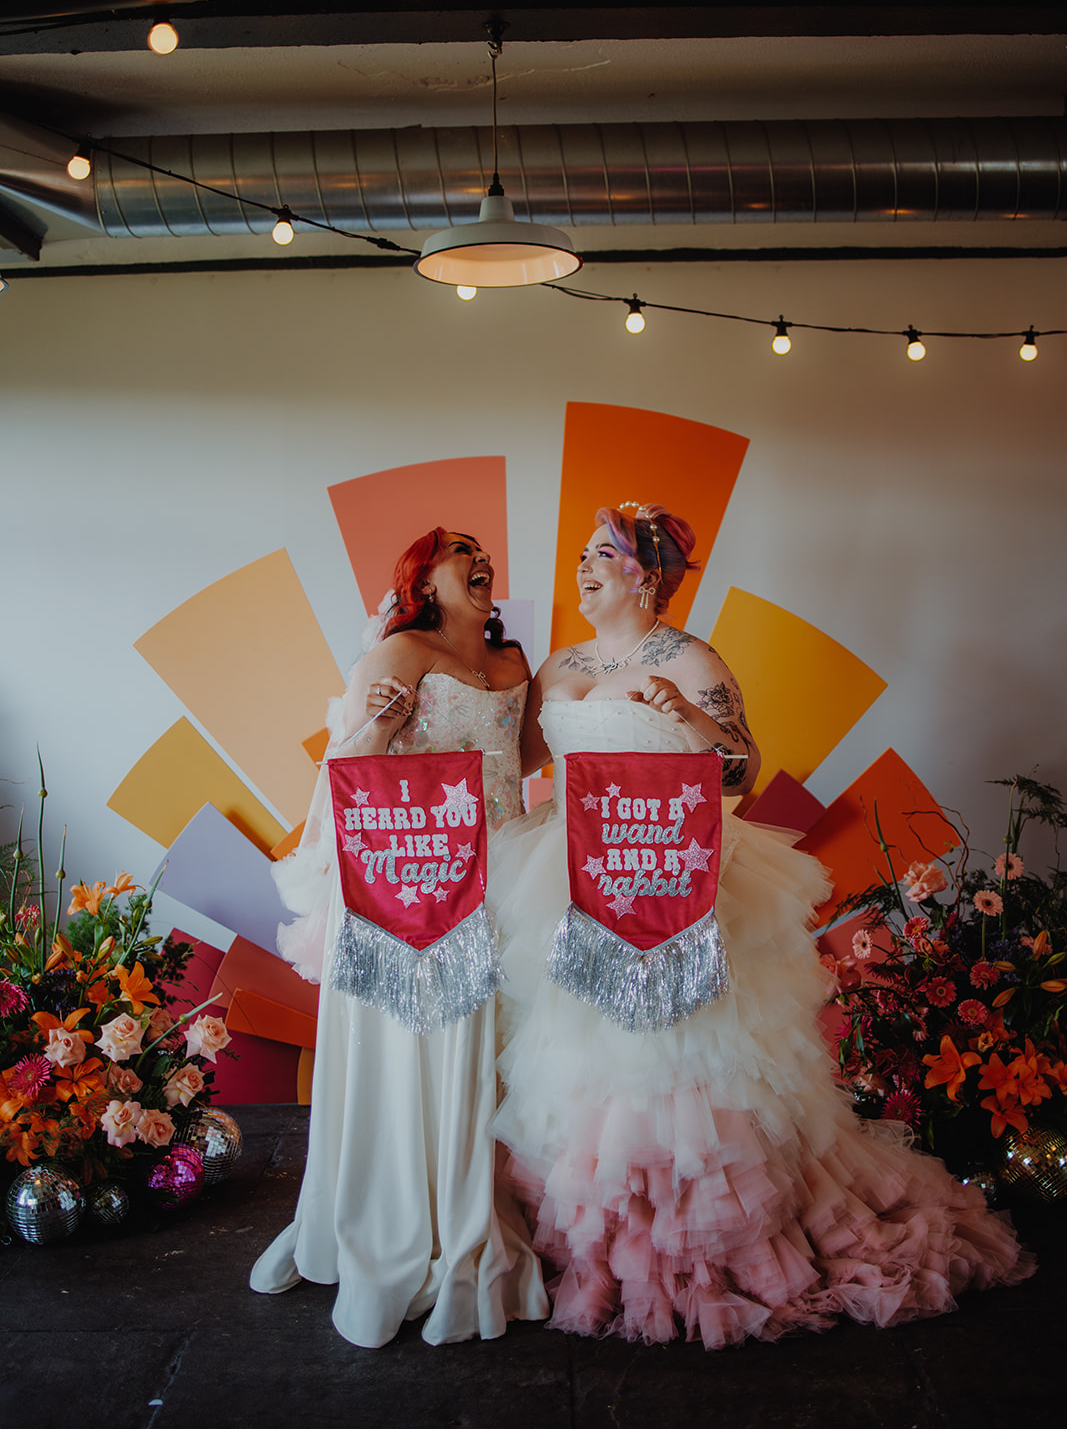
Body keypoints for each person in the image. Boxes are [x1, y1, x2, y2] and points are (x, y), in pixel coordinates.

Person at [489, 503, 1032, 1349]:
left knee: (679, 1047)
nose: (583, 569)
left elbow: (740, 770)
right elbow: (518, 759)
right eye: (583, 556)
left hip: (673, 868)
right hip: (573, 871)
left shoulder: (691, 659)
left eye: (600, 556)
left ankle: (700, 1226)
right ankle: (594, 1223)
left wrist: (687, 714)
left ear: (646, 574)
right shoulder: (557, 665)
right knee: (580, 1041)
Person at [250, 528, 547, 1347]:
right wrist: (379, 728)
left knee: (489, 1046)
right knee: (418, 1046)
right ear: (423, 577)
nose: (480, 559)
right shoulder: (397, 652)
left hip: (500, 871)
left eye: (482, 552)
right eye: (460, 550)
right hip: (416, 883)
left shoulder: (514, 659)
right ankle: (402, 1211)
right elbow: (347, 772)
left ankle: (476, 1204)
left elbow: (523, 757)